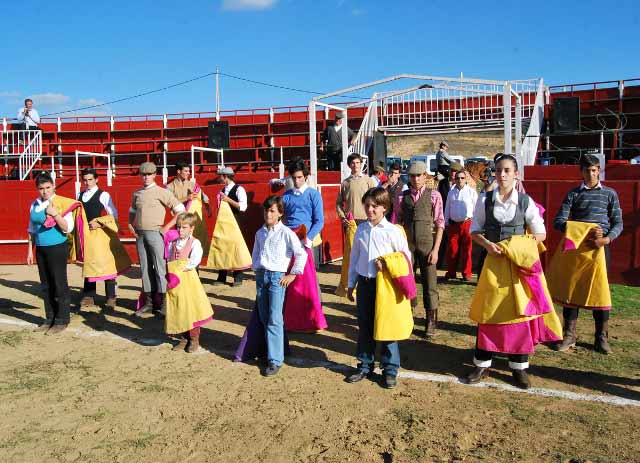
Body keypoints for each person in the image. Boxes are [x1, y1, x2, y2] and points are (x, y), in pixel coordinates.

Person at [463, 154, 561, 389]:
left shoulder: (525, 202)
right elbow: (475, 231)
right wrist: (488, 245)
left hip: (517, 266)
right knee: (489, 312)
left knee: (519, 314)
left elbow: (541, 234)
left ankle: (519, 367)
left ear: (516, 174)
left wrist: (515, 247)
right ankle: (483, 363)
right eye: (498, 170)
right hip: (493, 264)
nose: (502, 174)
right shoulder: (485, 200)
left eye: (507, 170)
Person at [549, 154, 623, 354]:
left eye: (594, 170)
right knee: (572, 288)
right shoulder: (573, 194)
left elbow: (618, 223)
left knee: (600, 290)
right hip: (576, 248)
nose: (591, 174)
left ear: (599, 171)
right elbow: (559, 221)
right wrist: (582, 230)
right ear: (581, 172)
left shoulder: (610, 194)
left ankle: (601, 337)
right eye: (587, 170)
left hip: (600, 247)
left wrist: (605, 239)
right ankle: (570, 335)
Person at [345, 187, 412, 389]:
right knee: (365, 326)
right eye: (367, 206)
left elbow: (406, 258)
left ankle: (390, 369)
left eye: (375, 206)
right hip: (365, 284)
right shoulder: (361, 230)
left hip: (386, 287)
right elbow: (355, 258)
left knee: (387, 327)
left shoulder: (393, 231)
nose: (370, 210)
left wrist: (388, 263)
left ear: (384, 207)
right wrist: (350, 284)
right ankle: (364, 365)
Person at [249, 195, 307, 376]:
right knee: (266, 316)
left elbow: (301, 253)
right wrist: (256, 269)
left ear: (280, 214)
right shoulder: (260, 232)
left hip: (277, 277)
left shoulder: (286, 233)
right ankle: (280, 349)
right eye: (266, 210)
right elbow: (256, 253)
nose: (268, 213)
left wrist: (293, 274)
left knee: (274, 318)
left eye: (272, 210)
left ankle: (274, 359)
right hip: (262, 276)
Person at [394, 161, 444, 338]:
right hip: (407, 246)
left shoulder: (434, 196)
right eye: (412, 176)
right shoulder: (401, 197)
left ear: (425, 176)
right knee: (407, 282)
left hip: (427, 245)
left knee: (430, 284)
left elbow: (440, 224)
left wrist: (436, 250)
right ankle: (407, 317)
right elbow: (396, 223)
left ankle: (431, 321)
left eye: (418, 175)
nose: (415, 179)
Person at [128, 162, 185, 316]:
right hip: (140, 234)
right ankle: (149, 303)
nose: (146, 177)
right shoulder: (137, 193)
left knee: (160, 268)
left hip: (155, 233)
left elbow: (180, 210)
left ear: (154, 175)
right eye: (143, 174)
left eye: (149, 174)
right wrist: (130, 223)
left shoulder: (162, 192)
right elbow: (132, 210)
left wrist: (167, 227)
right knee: (145, 268)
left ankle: (165, 305)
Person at [27, 172, 80, 334]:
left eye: (48, 187)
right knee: (46, 284)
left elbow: (67, 228)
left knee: (58, 283)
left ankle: (62, 319)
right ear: (37, 189)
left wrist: (55, 214)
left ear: (54, 186)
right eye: (41, 188)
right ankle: (49, 317)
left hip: (57, 247)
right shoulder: (34, 204)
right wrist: (30, 250)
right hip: (41, 248)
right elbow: (31, 229)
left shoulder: (61, 203)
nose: (45, 191)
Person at [281, 158, 327, 332]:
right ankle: (291, 320)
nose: (297, 181)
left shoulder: (314, 194)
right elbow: (283, 220)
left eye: (300, 177)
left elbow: (319, 221)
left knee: (307, 280)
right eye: (294, 178)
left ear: (306, 177)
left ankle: (313, 319)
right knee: (288, 280)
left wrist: (308, 238)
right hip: (289, 242)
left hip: (305, 240)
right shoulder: (286, 196)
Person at [78, 168, 131, 311]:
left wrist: (100, 222)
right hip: (88, 235)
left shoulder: (103, 195)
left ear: (96, 180)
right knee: (90, 263)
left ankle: (111, 296)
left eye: (90, 179)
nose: (87, 182)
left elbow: (114, 214)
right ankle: (89, 295)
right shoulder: (80, 194)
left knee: (107, 264)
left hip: (102, 234)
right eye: (85, 180)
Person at [164, 213, 214, 353]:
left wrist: (179, 268)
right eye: (178, 227)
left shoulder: (195, 243)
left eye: (184, 227)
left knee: (191, 309)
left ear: (191, 228)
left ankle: (194, 338)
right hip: (176, 282)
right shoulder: (173, 243)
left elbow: (194, 261)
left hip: (188, 280)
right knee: (179, 308)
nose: (180, 230)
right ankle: (184, 337)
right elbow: (169, 260)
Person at [166, 160, 212, 248]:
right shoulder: (170, 187)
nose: (188, 173)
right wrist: (186, 198)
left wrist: (207, 207)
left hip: (192, 220)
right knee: (181, 243)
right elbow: (169, 203)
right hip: (179, 219)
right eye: (186, 171)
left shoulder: (193, 185)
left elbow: (205, 198)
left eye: (189, 171)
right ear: (178, 171)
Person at [215, 166, 248, 286]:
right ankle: (221, 276)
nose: (219, 178)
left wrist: (228, 199)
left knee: (236, 248)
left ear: (225, 177)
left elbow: (243, 207)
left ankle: (238, 277)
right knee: (222, 247)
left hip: (235, 222)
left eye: (220, 176)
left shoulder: (239, 189)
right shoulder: (223, 190)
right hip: (224, 223)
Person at [443, 169, 478, 281]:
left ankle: (466, 274)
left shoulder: (471, 192)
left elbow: (476, 209)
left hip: (467, 224)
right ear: (455, 179)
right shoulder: (451, 192)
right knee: (452, 250)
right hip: (453, 225)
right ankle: (451, 272)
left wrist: (476, 225)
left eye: (462, 178)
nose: (460, 180)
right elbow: (447, 208)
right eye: (457, 178)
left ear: (466, 179)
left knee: (467, 250)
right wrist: (446, 223)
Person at [336, 153, 376, 225]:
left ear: (361, 164)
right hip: (350, 221)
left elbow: (375, 200)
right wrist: (343, 217)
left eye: (357, 163)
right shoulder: (345, 183)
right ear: (349, 165)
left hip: (366, 219)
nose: (355, 165)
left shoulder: (368, 180)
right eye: (353, 163)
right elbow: (339, 203)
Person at [437, 162, 462, 269]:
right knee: (442, 241)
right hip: (444, 216)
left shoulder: (461, 184)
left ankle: (456, 266)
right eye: (452, 171)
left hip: (456, 217)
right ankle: (439, 264)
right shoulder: (442, 183)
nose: (453, 173)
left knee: (456, 244)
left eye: (455, 172)